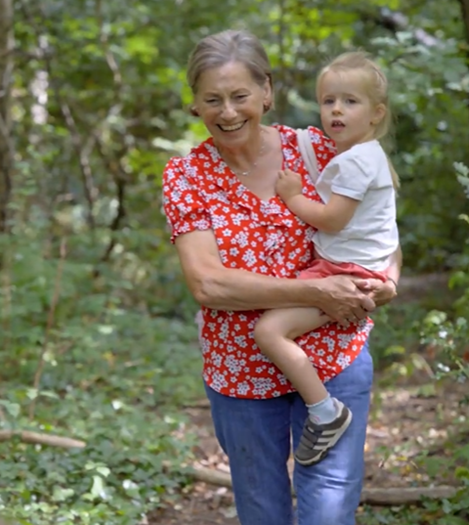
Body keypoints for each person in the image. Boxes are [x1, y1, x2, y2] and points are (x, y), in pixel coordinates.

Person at [161, 29, 401, 525]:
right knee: (264, 509)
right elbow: (208, 284)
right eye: (212, 99)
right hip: (241, 371)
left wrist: (389, 279)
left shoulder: (319, 149)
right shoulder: (186, 178)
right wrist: (316, 290)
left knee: (329, 511)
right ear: (196, 105)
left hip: (336, 353)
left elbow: (380, 225)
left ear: (266, 92)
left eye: (240, 96)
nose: (227, 112)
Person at [251, 50, 400, 468]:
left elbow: (333, 220)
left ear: (376, 113)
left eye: (350, 101)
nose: (336, 110)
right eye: (328, 101)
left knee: (269, 331)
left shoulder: (356, 161)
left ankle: (324, 411)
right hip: (352, 266)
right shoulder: (363, 156)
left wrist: (292, 196)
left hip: (347, 272)